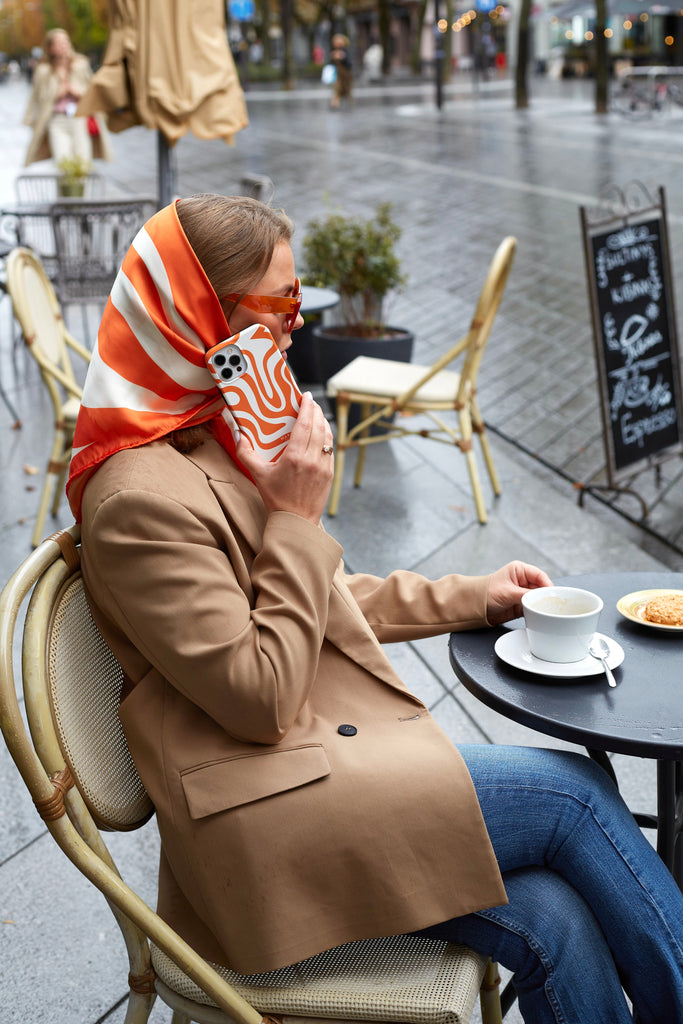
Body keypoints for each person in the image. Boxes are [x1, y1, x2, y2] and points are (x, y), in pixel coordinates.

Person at [66, 194, 683, 1023]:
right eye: (275, 305)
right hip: (266, 820)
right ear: (195, 311)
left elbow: (311, 600)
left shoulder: (204, 427)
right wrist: (291, 516)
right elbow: (258, 693)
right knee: (571, 792)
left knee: (554, 918)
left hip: (307, 773)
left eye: (296, 298)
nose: (294, 324)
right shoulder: (135, 499)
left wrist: (473, 597)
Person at [23, 28, 112, 167]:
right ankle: (66, 189)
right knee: (63, 164)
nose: (63, 46)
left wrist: (76, 92)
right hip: (56, 120)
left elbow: (92, 91)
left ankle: (80, 189)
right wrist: (57, 93)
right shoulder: (43, 70)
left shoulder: (80, 65)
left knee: (83, 163)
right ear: (50, 47)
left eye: (65, 41)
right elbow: (38, 99)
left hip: (79, 117)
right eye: (59, 43)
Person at [330, 33, 352, 109]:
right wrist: (333, 57)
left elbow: (349, 64)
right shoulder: (334, 51)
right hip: (337, 74)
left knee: (346, 90)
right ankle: (335, 103)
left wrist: (342, 57)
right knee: (337, 89)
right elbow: (331, 63)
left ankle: (349, 102)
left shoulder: (345, 51)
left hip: (345, 75)